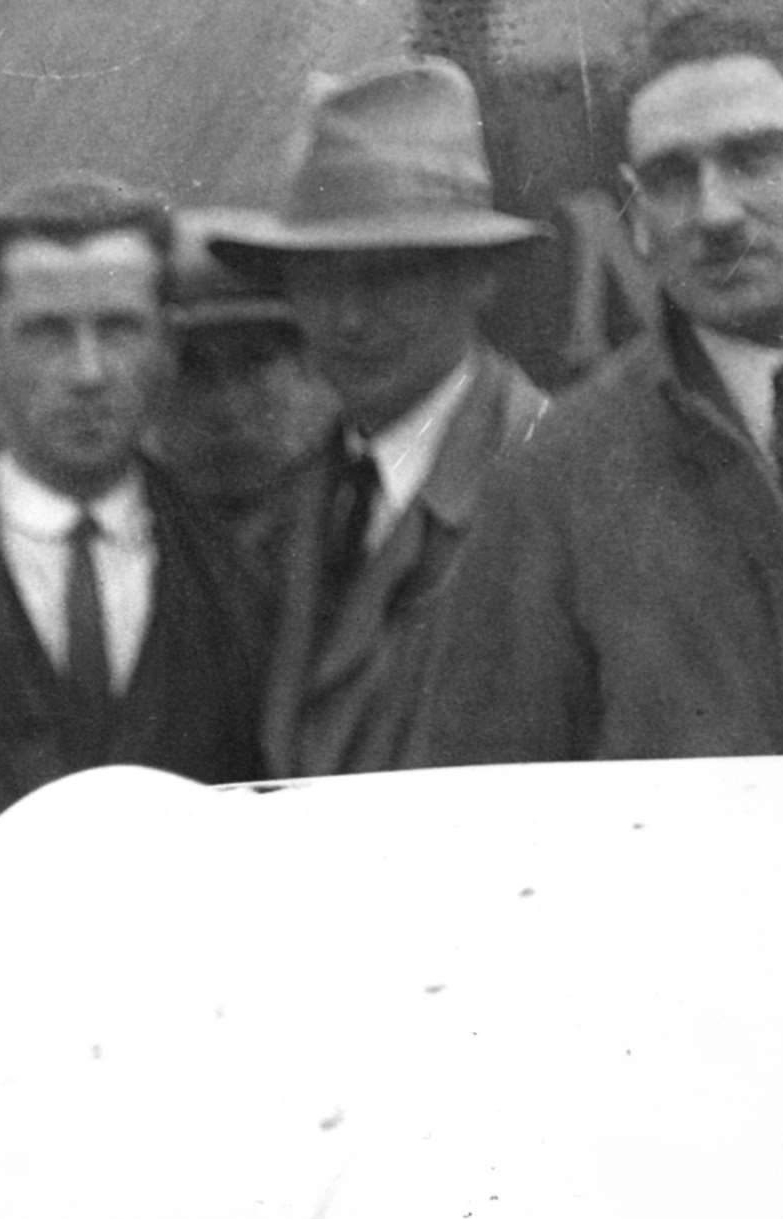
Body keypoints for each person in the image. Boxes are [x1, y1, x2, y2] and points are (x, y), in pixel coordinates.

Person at [413, 0, 783, 764]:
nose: (715, 213)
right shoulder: (554, 482)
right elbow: (484, 801)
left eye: (756, 157)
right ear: (635, 216)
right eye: (671, 177)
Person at [0, 173, 266, 846]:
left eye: (118, 329)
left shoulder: (245, 568)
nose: (87, 373)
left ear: (167, 345)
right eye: (47, 333)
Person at [205, 58, 549, 778]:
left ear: (479, 277)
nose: (351, 319)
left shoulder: (553, 483)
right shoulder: (297, 503)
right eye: (318, 279)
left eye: (392, 275)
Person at [148, 208, 339, 558]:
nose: (228, 407)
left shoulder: (366, 528)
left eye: (254, 362)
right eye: (191, 368)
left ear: (309, 369)